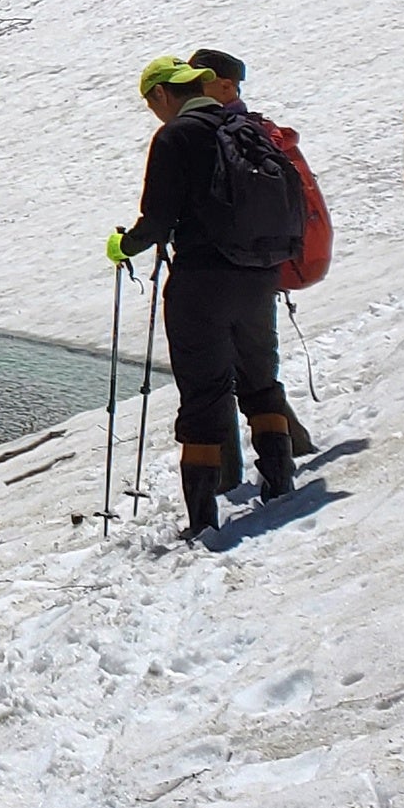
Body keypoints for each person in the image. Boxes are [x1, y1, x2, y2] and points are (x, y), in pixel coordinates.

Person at [105, 52, 298, 538]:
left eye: (151, 101)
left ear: (162, 94)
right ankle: (280, 481)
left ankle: (202, 518)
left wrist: (122, 245)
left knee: (204, 394)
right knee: (260, 378)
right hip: (259, 274)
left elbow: (157, 221)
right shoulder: (246, 127)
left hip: (203, 281)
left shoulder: (176, 136)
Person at [183, 47, 318, 461]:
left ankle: (225, 472)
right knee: (254, 369)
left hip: (216, 270)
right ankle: (286, 451)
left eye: (195, 81)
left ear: (224, 85)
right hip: (260, 267)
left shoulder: (208, 130)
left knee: (219, 374)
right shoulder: (256, 131)